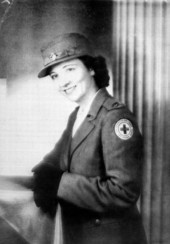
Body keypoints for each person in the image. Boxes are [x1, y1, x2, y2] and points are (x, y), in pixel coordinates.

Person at [32, 33, 147, 244]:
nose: (63, 82)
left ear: (91, 68)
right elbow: (54, 161)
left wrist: (59, 183)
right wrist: (41, 174)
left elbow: (123, 192)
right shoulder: (76, 116)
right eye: (55, 76)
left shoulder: (115, 118)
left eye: (70, 69)